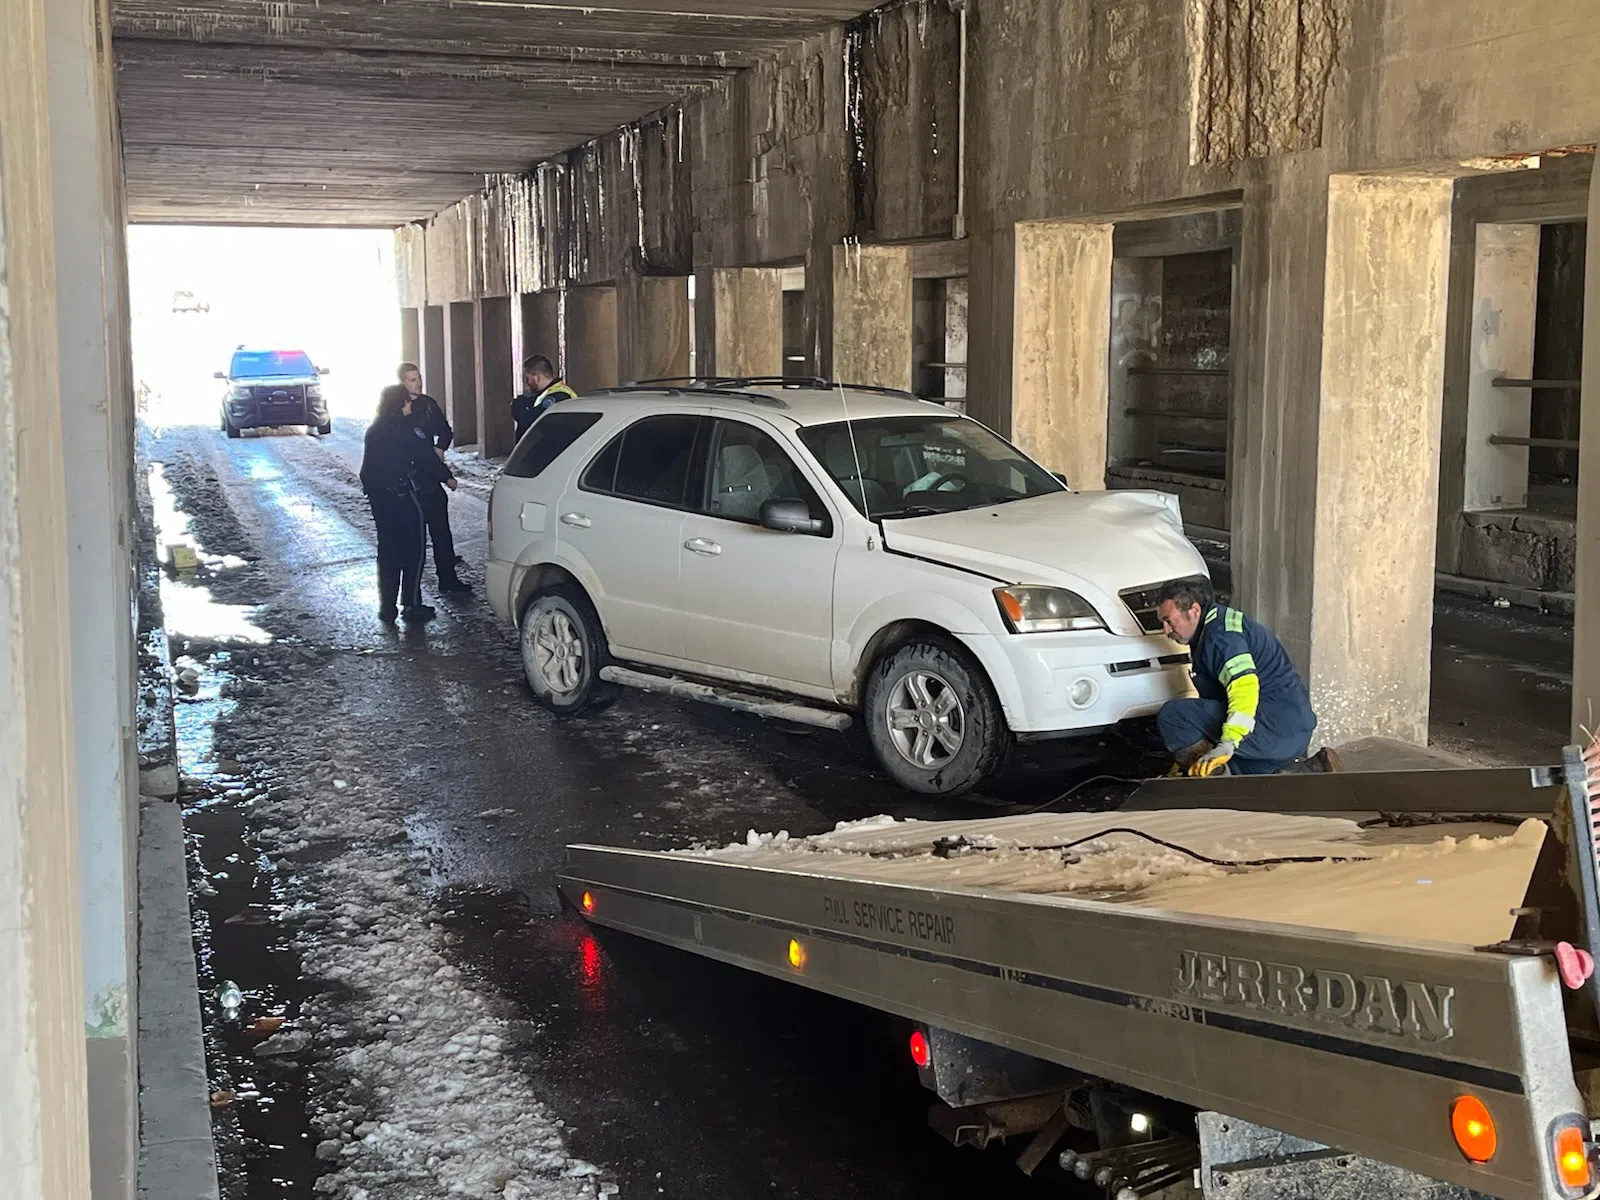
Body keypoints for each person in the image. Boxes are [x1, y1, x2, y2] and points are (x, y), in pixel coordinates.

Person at [1154, 576, 1339, 777]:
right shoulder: (1217, 624)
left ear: (1194, 611)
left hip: (1273, 728)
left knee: (1175, 716)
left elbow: (1244, 686)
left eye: (1169, 621)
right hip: (1291, 731)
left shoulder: (1221, 638)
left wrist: (1228, 742)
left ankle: (1206, 777)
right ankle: (1304, 770)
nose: (1166, 631)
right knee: (1241, 772)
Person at [360, 384, 458, 623]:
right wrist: (447, 477)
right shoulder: (405, 430)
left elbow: (367, 470)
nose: (410, 405)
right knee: (414, 550)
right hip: (403, 496)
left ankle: (387, 607)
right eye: (407, 401)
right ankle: (412, 603)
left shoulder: (374, 429)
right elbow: (425, 457)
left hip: (379, 499)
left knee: (388, 551)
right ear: (399, 404)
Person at [398, 362, 469, 593]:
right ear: (402, 383)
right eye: (411, 379)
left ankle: (447, 578)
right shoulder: (395, 410)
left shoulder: (428, 405)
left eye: (418, 378)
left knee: (441, 531)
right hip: (409, 481)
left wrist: (440, 448)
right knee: (413, 539)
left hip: (429, 476)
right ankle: (412, 595)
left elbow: (445, 431)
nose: (417, 383)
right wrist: (446, 475)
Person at [512, 355, 577, 443]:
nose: (527, 383)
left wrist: (520, 406)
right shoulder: (547, 394)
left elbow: (530, 421)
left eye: (527, 379)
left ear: (537, 378)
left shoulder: (560, 396)